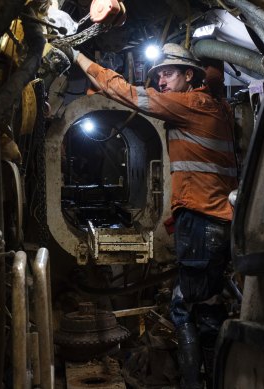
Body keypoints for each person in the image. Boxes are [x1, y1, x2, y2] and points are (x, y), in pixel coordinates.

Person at [71, 43, 238, 389]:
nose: (160, 80)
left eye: (167, 73)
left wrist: (79, 57)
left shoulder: (189, 104)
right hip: (217, 221)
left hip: (201, 222)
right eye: (157, 75)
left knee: (186, 310)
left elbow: (126, 93)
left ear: (189, 75)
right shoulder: (215, 105)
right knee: (207, 310)